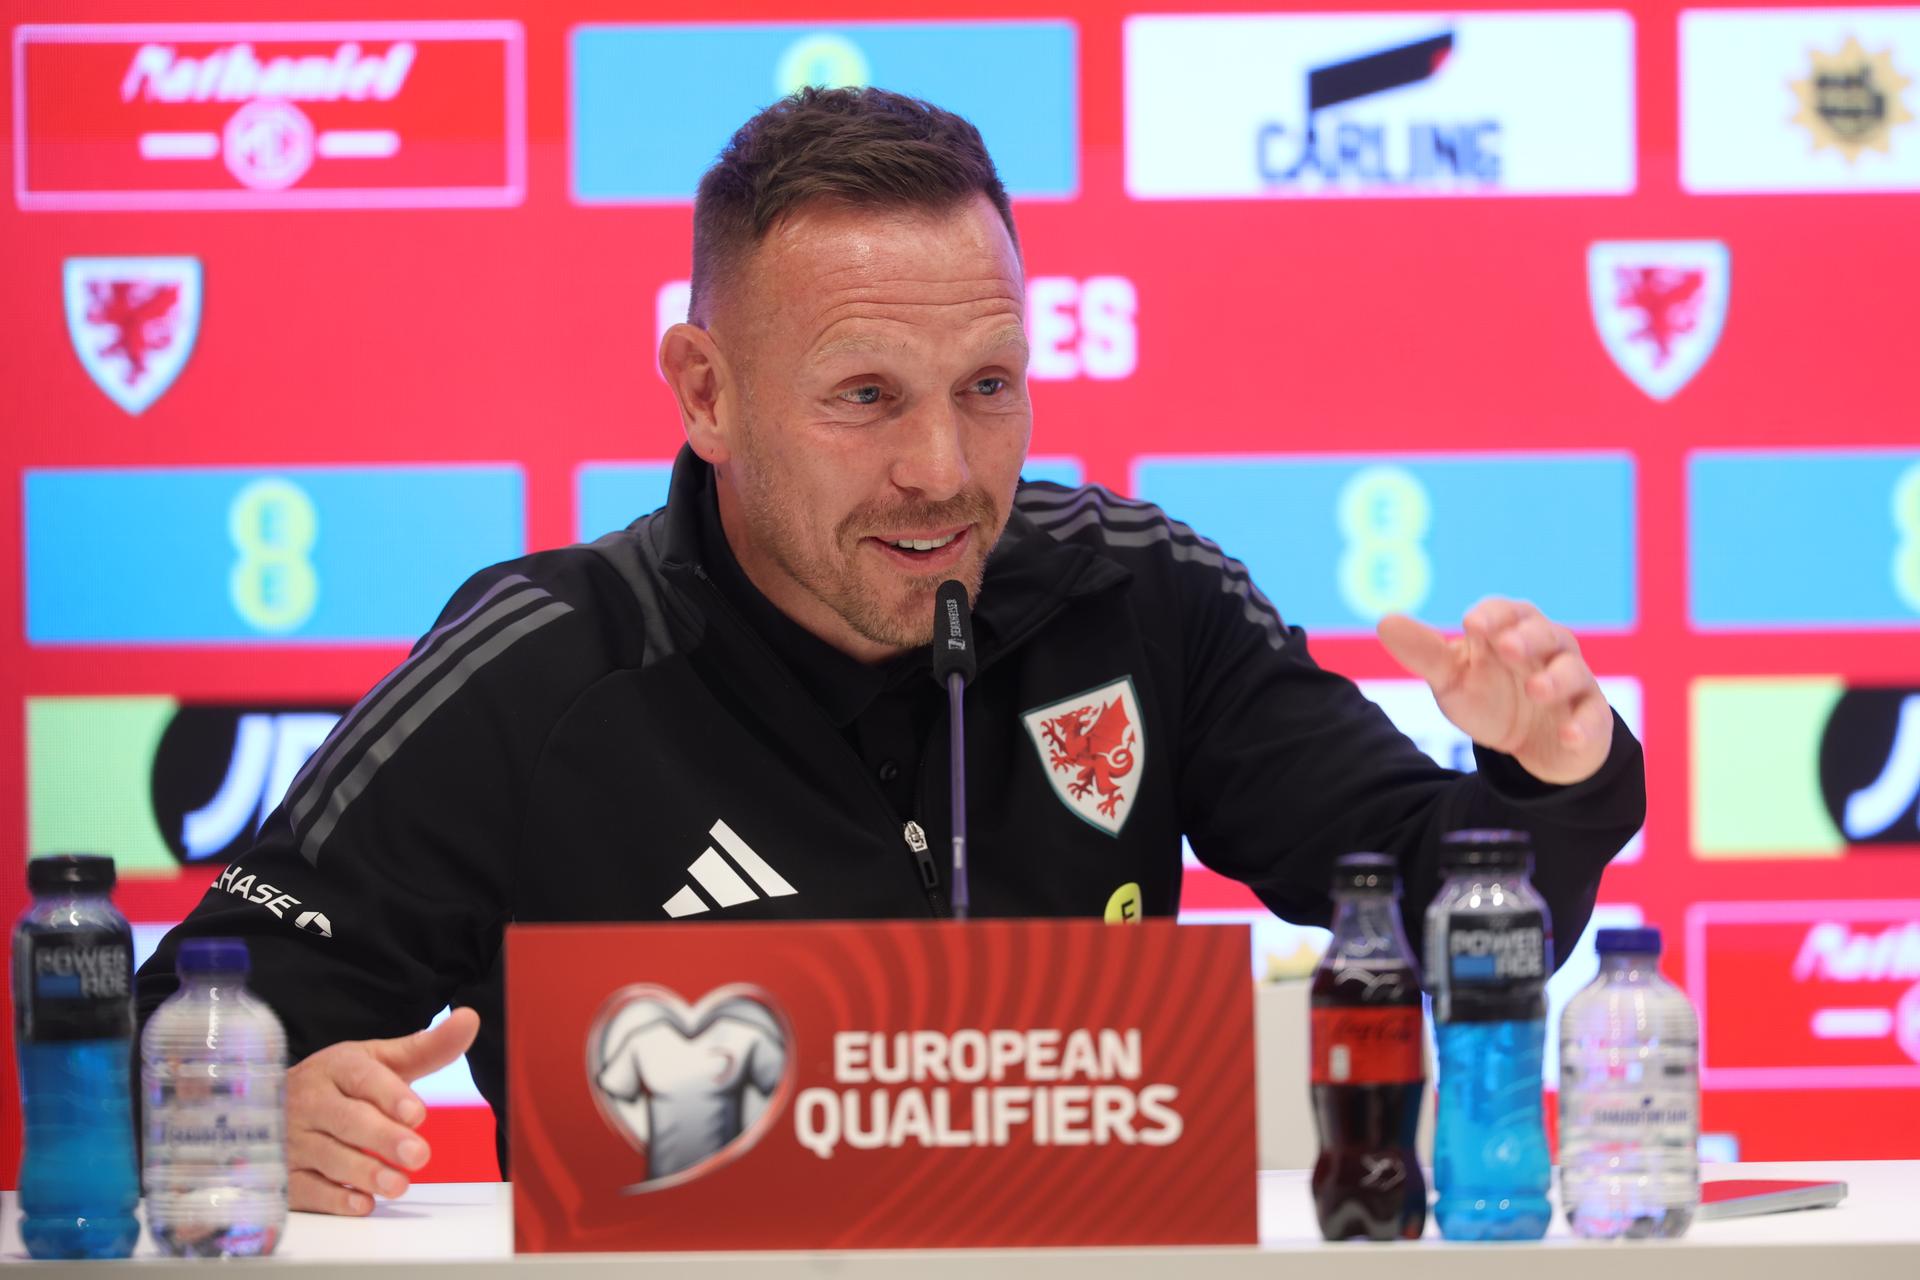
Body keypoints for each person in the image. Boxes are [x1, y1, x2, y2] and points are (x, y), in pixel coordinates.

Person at [137, 87, 1644, 1215]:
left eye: (989, 384)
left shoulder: (1135, 600)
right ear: (707, 391)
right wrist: (243, 1106)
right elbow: (184, 1038)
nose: (944, 468)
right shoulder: (542, 668)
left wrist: (1554, 768)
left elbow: (1452, 909)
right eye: (865, 395)